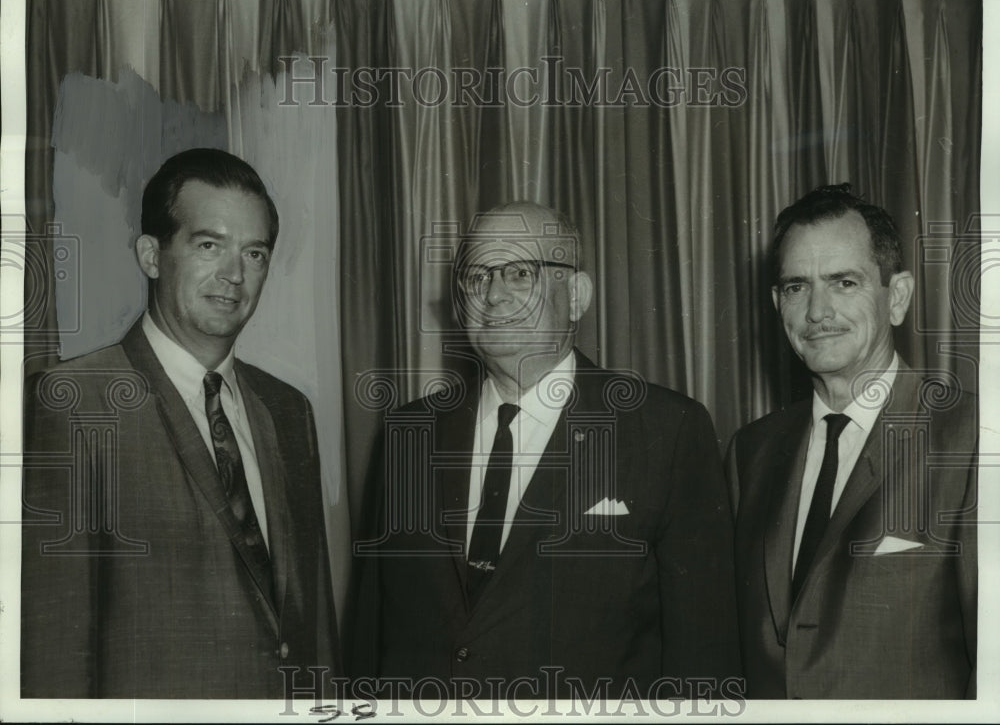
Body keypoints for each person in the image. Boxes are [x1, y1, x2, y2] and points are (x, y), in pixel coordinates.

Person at [352, 201, 741, 701]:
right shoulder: (409, 432)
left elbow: (703, 659)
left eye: (519, 273)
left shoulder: (666, 431)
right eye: (476, 277)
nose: (494, 295)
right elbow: (371, 637)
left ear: (576, 295)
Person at [21, 148, 340, 698]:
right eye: (209, 245)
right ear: (151, 255)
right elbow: (54, 648)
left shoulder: (289, 411)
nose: (234, 275)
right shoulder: (73, 403)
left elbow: (315, 632)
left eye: (255, 253)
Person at [727, 184, 977, 698]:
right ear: (778, 305)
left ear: (898, 297)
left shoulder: (972, 438)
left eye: (844, 282)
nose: (818, 312)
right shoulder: (751, 451)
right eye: (797, 286)